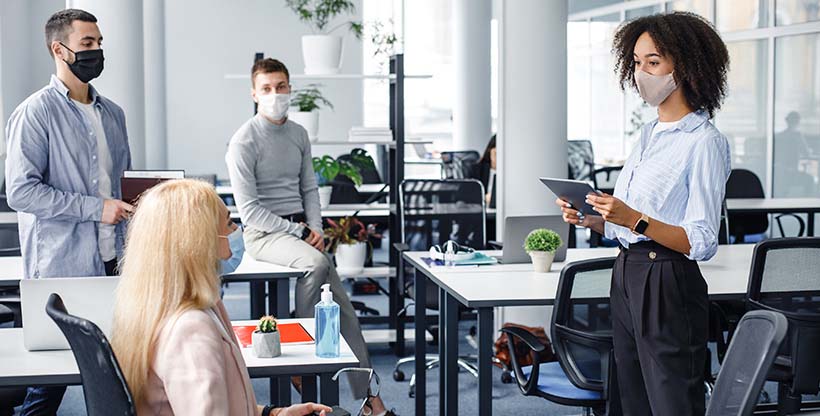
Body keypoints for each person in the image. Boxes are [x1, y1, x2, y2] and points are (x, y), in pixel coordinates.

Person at [556, 12, 730, 415]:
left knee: (671, 399)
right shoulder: (649, 134)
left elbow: (701, 242)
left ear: (685, 65)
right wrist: (595, 218)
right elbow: (633, 225)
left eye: (653, 62)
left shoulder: (703, 142)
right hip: (627, 271)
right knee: (630, 395)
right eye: (636, 62)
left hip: (667, 279)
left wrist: (633, 219)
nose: (641, 72)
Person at [225, 58, 393, 415]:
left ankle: (370, 401)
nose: (275, 95)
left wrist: (315, 228)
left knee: (345, 311)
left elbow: (309, 188)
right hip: (264, 233)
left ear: (290, 88)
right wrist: (300, 231)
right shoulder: (243, 141)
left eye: (281, 87)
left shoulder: (299, 134)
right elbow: (250, 211)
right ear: (254, 93)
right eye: (266, 89)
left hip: (301, 231)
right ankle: (307, 358)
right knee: (317, 264)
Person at [4, 9, 133, 415]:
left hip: (114, 262)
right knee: (50, 386)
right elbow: (21, 192)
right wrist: (97, 209)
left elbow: (122, 184)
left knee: (118, 375)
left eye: (99, 42)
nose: (97, 51)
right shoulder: (35, 112)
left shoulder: (112, 113)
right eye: (87, 44)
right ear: (59, 49)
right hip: (63, 266)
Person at [110, 179, 331, 416]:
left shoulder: (154, 305)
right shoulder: (190, 330)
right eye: (229, 223)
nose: (237, 231)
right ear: (200, 241)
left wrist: (273, 413)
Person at [476, 134, 497, 207]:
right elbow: (464, 198)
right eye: (496, 154)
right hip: (483, 211)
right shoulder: (478, 169)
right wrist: (483, 198)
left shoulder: (509, 172)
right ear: (489, 151)